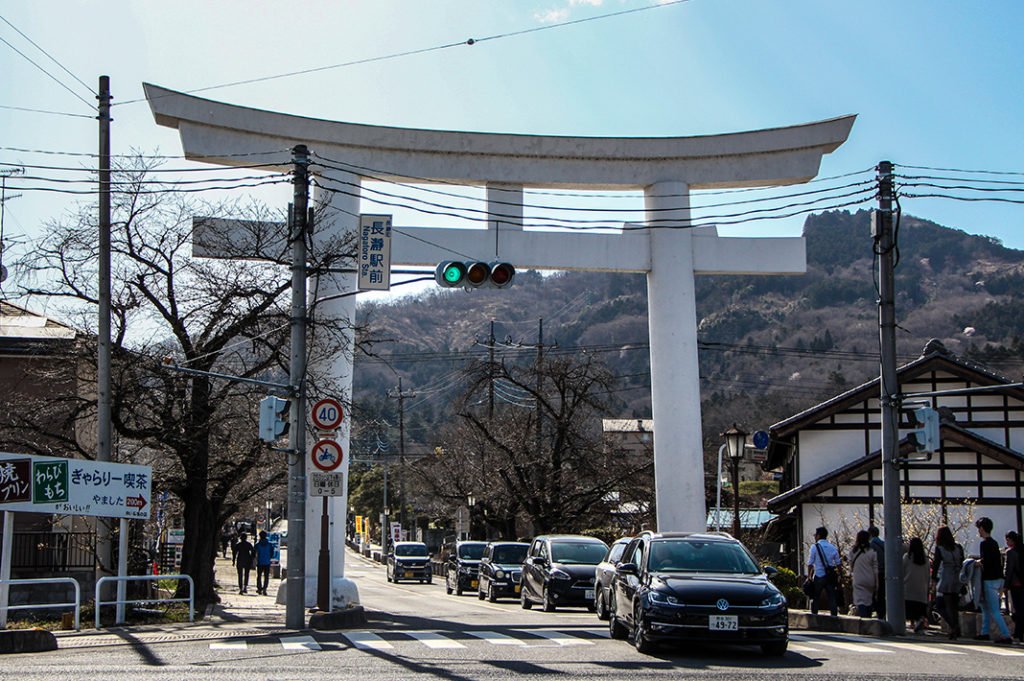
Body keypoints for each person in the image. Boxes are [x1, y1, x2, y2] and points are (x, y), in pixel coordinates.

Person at [974, 517, 1012, 643]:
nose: (978, 531)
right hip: (999, 579)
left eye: (979, 528)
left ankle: (1006, 635)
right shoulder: (994, 543)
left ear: (982, 528)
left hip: (989, 580)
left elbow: (986, 561)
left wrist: (978, 563)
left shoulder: (984, 543)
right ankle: (985, 632)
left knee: (994, 610)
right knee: (985, 607)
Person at [931, 525, 964, 639]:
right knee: (954, 605)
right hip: (958, 577)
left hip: (947, 577)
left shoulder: (940, 548)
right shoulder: (958, 547)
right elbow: (962, 561)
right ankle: (955, 628)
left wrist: (933, 579)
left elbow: (936, 564)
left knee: (941, 605)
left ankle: (953, 626)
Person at [807, 526, 841, 617]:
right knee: (832, 597)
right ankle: (834, 616)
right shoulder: (832, 547)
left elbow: (810, 563)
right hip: (830, 576)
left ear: (818, 536)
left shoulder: (815, 547)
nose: (815, 536)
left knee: (816, 596)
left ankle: (814, 615)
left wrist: (809, 576)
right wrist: (839, 575)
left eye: (815, 535)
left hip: (819, 575)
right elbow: (838, 563)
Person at [904, 537, 930, 633]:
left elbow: (901, 571)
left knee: (907, 609)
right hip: (921, 590)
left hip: (908, 589)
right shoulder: (925, 560)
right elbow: (928, 575)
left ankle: (911, 623)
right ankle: (919, 620)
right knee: (919, 609)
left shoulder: (907, 557)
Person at [849, 530, 878, 618]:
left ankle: (863, 620)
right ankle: (868, 620)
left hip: (858, 579)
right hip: (870, 579)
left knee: (860, 602)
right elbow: (875, 569)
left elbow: (851, 567)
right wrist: (877, 582)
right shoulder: (872, 552)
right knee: (869, 601)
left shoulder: (853, 552)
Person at [1005, 530, 1024, 642]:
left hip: (1016, 583)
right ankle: (1019, 632)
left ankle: (1018, 633)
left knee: (1016, 609)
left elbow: (1009, 570)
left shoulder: (1011, 552)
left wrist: (1006, 585)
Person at [869, 526, 886, 620]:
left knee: (874, 593)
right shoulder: (883, 544)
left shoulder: (871, 545)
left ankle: (877, 611)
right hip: (885, 571)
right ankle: (882, 612)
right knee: (882, 594)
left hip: (876, 572)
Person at [254, 530, 274, 596]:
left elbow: (254, 553)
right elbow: (272, 553)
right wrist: (269, 557)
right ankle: (265, 589)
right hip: (267, 562)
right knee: (266, 576)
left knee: (259, 576)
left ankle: (259, 589)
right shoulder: (269, 544)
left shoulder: (257, 544)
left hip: (259, 562)